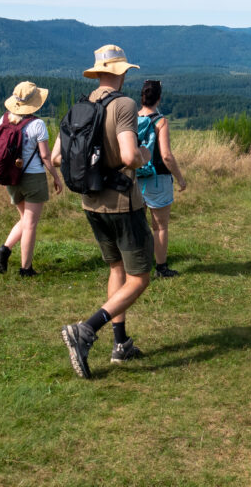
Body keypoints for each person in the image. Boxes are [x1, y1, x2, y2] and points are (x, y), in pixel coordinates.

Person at [57, 44, 155, 379]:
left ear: (98, 72)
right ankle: (86, 330)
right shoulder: (124, 105)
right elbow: (129, 157)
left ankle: (121, 343)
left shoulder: (79, 107)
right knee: (140, 277)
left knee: (116, 268)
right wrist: (144, 154)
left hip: (90, 201)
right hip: (122, 203)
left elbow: (57, 157)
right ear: (121, 72)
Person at [0, 81, 63, 277]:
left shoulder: (3, 119)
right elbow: (46, 157)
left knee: (25, 219)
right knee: (30, 223)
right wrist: (56, 177)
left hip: (11, 178)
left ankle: (4, 251)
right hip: (33, 178)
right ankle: (26, 269)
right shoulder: (37, 124)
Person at [136, 79, 188, 278]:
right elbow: (166, 155)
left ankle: (138, 266)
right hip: (158, 179)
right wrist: (180, 179)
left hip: (136, 178)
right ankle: (161, 267)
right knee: (160, 227)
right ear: (159, 98)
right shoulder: (161, 121)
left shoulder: (132, 118)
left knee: (138, 225)